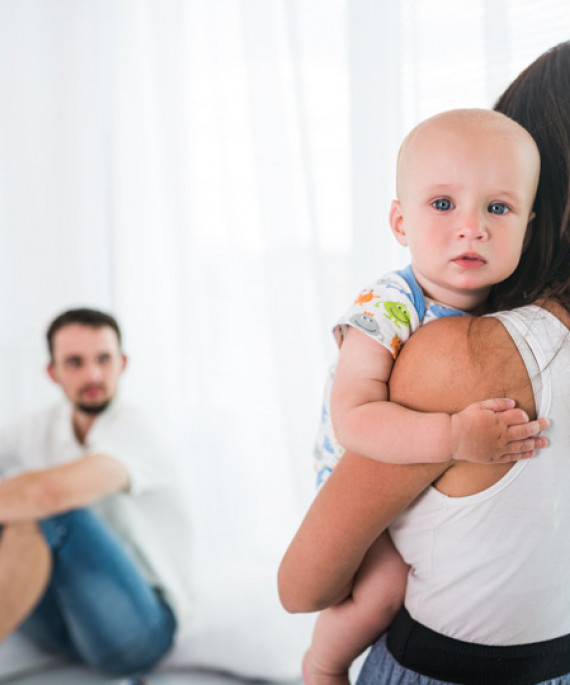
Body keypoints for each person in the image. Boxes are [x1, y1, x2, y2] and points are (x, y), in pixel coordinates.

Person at [280, 40, 570, 685]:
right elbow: (353, 416)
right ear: (399, 221)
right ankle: (322, 665)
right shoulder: (391, 305)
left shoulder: (500, 315)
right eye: (443, 205)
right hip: (364, 456)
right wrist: (453, 435)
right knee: (383, 586)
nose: (472, 228)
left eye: (498, 208)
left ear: (534, 217)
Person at [0, 308, 192, 678]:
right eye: (74, 363)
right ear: (52, 372)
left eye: (103, 359)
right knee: (15, 510)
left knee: (54, 513)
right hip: (65, 626)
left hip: (142, 630)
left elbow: (48, 496)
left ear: (122, 363)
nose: (92, 375)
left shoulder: (138, 428)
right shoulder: (38, 426)